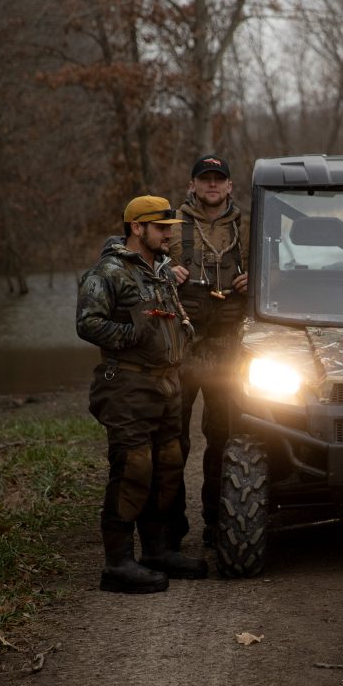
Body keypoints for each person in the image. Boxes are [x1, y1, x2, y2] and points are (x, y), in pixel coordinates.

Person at [76, 196, 208, 593]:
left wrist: (183, 333)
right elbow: (87, 323)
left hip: (167, 384)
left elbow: (172, 315)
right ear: (137, 228)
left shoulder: (160, 271)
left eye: (170, 226)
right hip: (127, 386)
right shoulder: (109, 272)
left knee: (167, 467)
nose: (169, 233)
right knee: (133, 469)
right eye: (161, 226)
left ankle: (156, 551)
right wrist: (132, 335)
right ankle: (117, 565)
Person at [168, 155, 248, 547]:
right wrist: (166, 271)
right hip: (183, 346)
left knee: (223, 436)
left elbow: (282, 269)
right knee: (172, 437)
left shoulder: (249, 227)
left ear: (230, 186)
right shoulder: (170, 226)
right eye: (205, 179)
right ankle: (171, 524)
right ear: (193, 185)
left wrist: (257, 279)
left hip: (227, 348)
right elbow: (133, 259)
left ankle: (219, 521)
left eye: (219, 179)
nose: (212, 185)